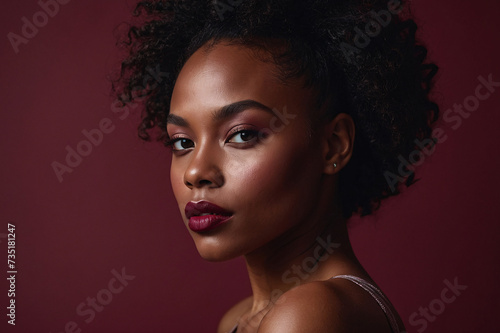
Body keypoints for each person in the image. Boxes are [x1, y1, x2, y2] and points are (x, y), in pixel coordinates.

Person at [114, 0, 438, 332]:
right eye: (183, 142)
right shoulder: (239, 321)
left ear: (333, 145)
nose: (196, 172)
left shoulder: (310, 314)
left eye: (242, 135)